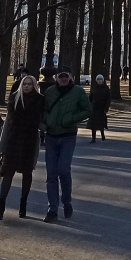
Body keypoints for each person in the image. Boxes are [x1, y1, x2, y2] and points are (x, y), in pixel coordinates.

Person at [41, 68, 91, 222]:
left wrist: (71, 119)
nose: (62, 78)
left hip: (68, 136)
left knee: (63, 170)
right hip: (51, 136)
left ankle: (67, 201)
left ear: (71, 77)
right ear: (56, 77)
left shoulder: (78, 92)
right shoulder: (49, 92)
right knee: (51, 175)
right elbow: (42, 110)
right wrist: (45, 123)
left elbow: (88, 110)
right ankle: (52, 209)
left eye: (65, 76)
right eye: (60, 76)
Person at [0, 74, 43, 219]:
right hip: (13, 141)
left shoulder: (40, 100)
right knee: (7, 173)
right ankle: (1, 205)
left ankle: (23, 205)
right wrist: (1, 145)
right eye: (25, 84)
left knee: (27, 173)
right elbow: (7, 123)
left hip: (29, 142)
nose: (27, 86)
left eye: (30, 84)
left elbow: (42, 121)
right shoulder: (14, 99)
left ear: (34, 85)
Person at [88, 73, 111, 142]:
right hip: (94, 107)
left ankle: (102, 135)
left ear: (103, 80)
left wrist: (106, 108)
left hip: (102, 108)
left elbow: (108, 99)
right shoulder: (94, 87)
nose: (99, 81)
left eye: (101, 79)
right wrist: (89, 105)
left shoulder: (106, 88)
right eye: (98, 79)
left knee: (101, 123)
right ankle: (93, 138)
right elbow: (90, 97)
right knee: (93, 124)